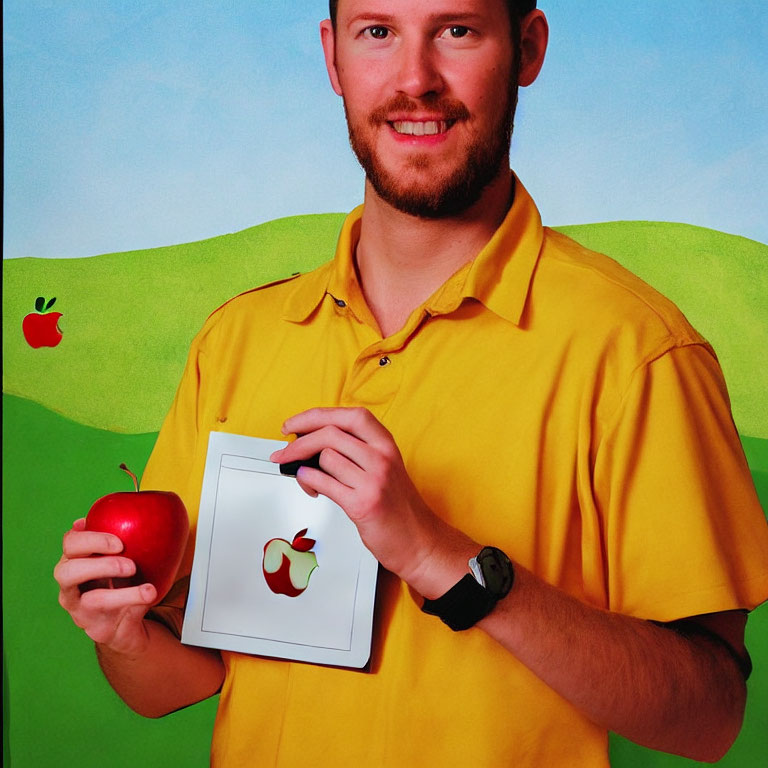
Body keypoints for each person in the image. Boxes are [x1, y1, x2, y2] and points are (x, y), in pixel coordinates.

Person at [55, 1, 768, 765]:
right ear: (334, 58)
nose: (415, 79)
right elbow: (175, 683)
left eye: (457, 30)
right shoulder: (238, 339)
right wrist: (123, 634)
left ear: (526, 49)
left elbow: (710, 716)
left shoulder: (637, 352)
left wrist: (444, 560)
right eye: (378, 31)